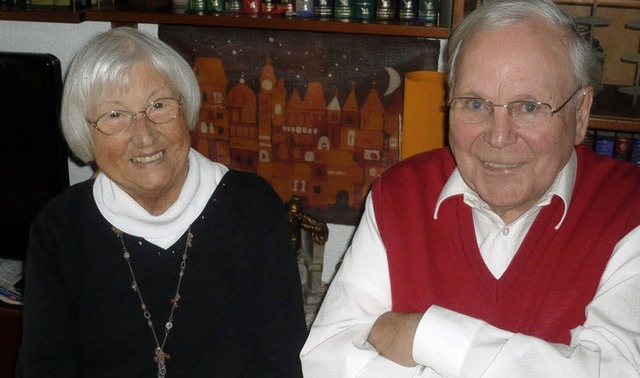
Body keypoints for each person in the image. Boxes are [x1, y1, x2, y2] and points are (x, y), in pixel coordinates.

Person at [300, 0, 640, 376]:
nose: (497, 136)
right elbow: (327, 361)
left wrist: (427, 335)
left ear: (580, 113)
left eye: (527, 107)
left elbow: (617, 370)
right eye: (475, 103)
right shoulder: (400, 194)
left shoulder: (629, 208)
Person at [16, 27, 307, 377]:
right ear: (85, 132)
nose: (144, 135)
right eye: (115, 115)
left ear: (185, 107)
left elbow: (281, 362)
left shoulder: (252, 207)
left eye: (158, 105)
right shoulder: (59, 229)